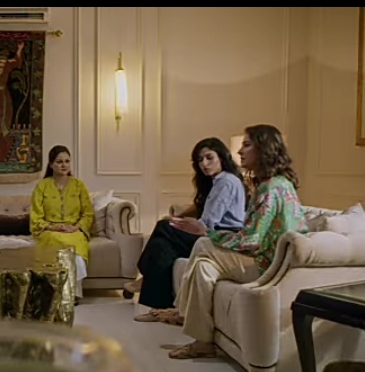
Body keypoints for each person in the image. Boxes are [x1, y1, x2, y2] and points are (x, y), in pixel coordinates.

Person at [162, 124, 308, 359]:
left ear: (264, 148)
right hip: (265, 258)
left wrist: (207, 232)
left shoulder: (271, 188)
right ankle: (202, 342)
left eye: (246, 145)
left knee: (202, 245)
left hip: (269, 266)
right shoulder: (274, 183)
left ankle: (181, 312)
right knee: (203, 267)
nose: (239, 151)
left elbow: (251, 240)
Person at [130, 137, 247, 317]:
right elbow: (201, 208)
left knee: (164, 226)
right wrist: (178, 218)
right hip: (211, 231)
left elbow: (208, 222)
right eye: (200, 160)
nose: (204, 164)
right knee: (161, 246)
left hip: (220, 235)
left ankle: (145, 273)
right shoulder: (216, 181)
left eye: (209, 158)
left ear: (222, 157)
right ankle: (158, 308)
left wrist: (179, 224)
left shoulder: (227, 182)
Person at [30, 145, 94, 304]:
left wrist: (76, 227)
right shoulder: (42, 186)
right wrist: (53, 227)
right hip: (50, 230)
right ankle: (55, 293)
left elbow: (88, 214)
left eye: (67, 161)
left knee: (76, 250)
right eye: (59, 162)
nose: (64, 165)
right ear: (51, 164)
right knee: (53, 242)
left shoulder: (79, 185)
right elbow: (36, 217)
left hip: (74, 230)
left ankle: (74, 293)